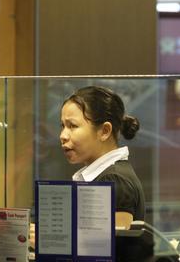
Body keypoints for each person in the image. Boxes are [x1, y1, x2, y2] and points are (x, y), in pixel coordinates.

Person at [60, 85, 145, 228]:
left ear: (104, 131)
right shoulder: (106, 177)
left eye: (72, 126)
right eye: (62, 126)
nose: (63, 135)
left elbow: (112, 247)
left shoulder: (114, 180)